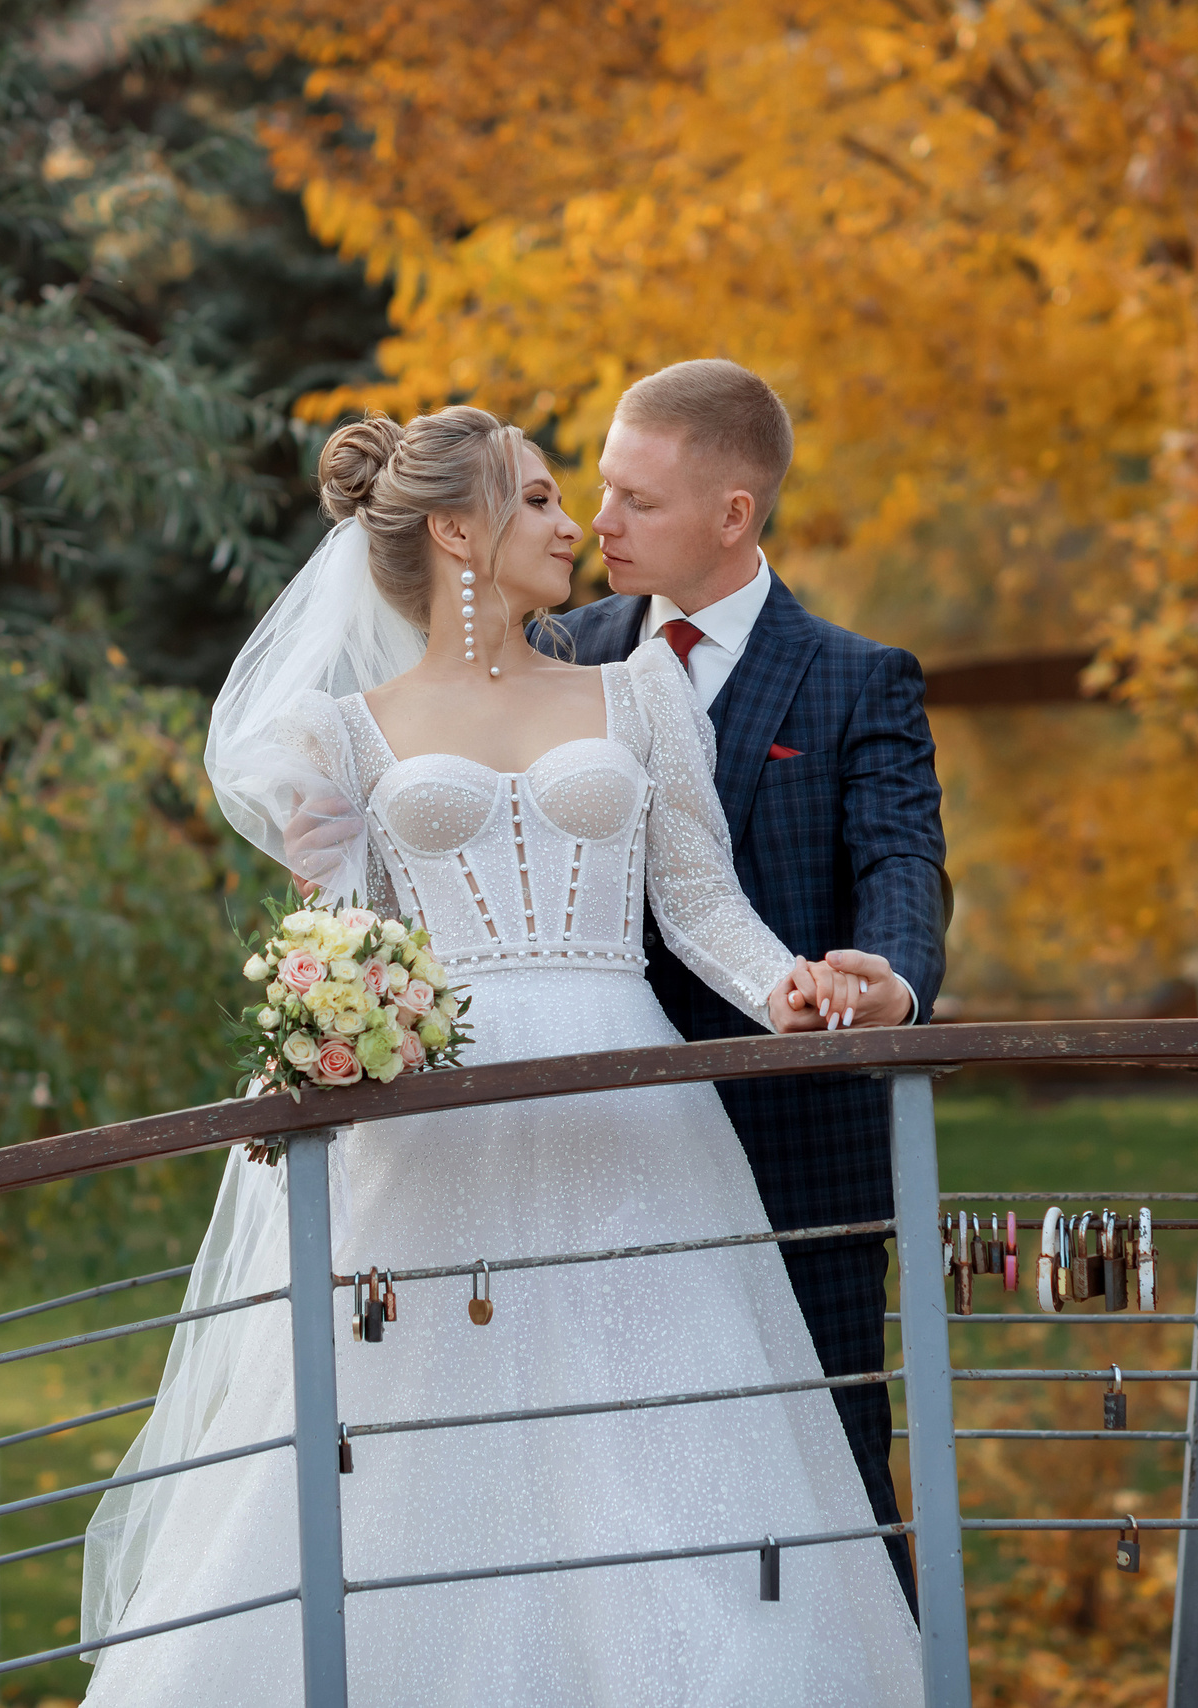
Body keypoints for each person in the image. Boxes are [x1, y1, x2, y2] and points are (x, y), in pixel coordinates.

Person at [79, 404, 924, 1704]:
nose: (572, 521)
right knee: (423, 1455)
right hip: (437, 1134)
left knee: (658, 1445)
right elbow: (341, 941)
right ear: (461, 532)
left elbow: (699, 905)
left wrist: (793, 991)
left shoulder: (636, 693)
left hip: (634, 1111)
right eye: (537, 500)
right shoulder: (339, 739)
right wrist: (314, 1039)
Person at [550, 359, 950, 1612]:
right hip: (594, 1141)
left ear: (733, 513)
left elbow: (903, 861)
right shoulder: (553, 659)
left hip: (798, 1147)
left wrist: (888, 978)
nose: (598, 522)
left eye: (636, 500)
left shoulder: (854, 677)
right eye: (600, 489)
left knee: (830, 1475)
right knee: (608, 1478)